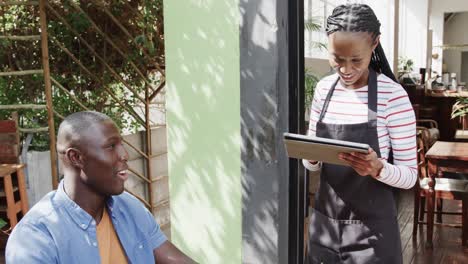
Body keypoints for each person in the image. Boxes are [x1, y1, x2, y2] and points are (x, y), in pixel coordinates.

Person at [303, 4, 417, 264]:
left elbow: (410, 177)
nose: (345, 69)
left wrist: (378, 168)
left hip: (372, 236)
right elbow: (311, 165)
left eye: (356, 60)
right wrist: (309, 156)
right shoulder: (323, 90)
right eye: (337, 59)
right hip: (324, 229)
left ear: (374, 44)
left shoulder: (394, 97)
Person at [6, 111, 196, 264]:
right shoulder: (35, 239)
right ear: (76, 158)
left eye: (121, 144)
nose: (125, 155)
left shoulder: (130, 208)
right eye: (111, 146)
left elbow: (174, 259)